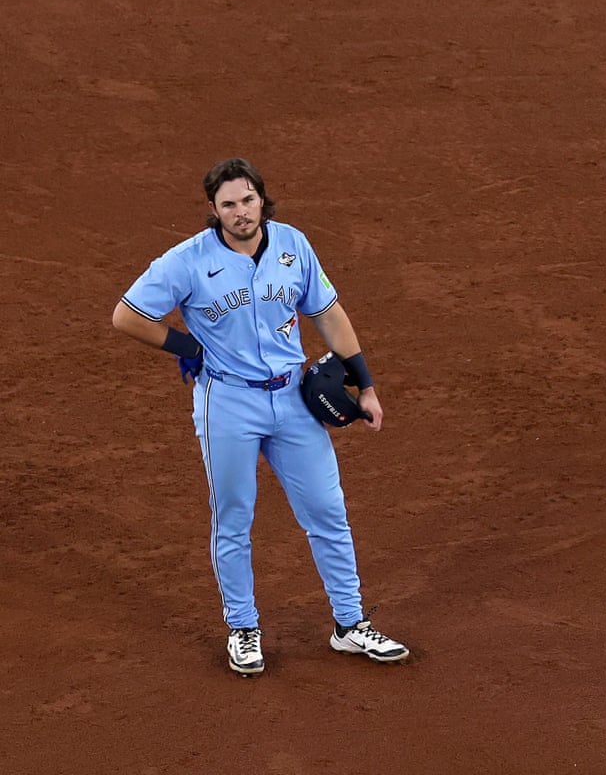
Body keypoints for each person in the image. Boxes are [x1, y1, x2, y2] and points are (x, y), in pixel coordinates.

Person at [112, 157, 410, 676]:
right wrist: (187, 346)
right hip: (227, 402)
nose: (240, 212)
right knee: (234, 517)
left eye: (247, 200)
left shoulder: (294, 245)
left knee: (327, 511)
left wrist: (367, 385)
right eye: (228, 204)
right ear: (214, 210)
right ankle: (244, 629)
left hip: (293, 399)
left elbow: (329, 316)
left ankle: (350, 623)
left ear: (261, 199)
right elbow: (127, 315)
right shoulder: (186, 261)